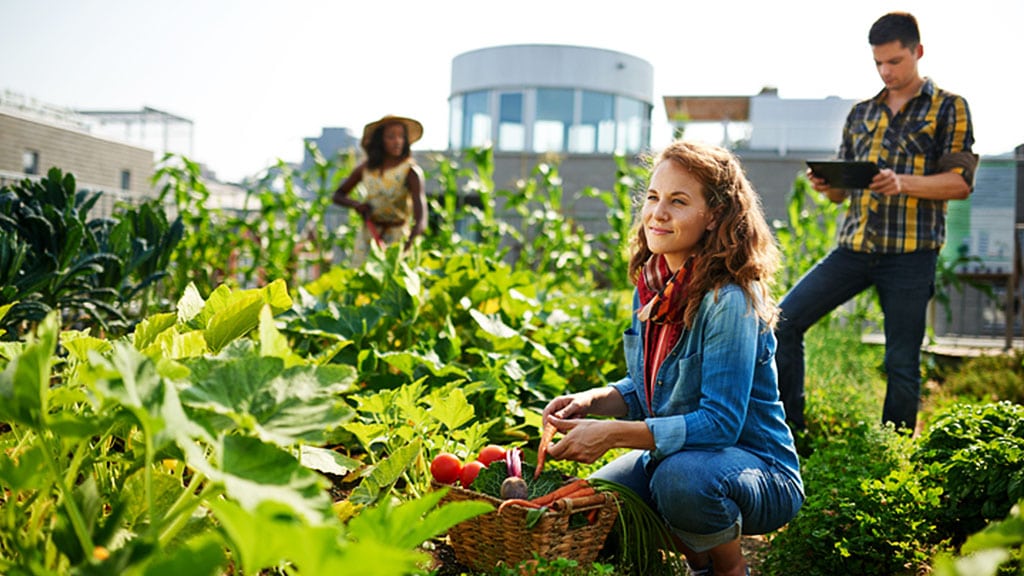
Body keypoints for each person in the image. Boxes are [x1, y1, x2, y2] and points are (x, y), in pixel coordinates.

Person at [541, 140, 804, 576]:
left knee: (679, 481)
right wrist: (593, 401)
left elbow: (720, 424)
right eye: (653, 197)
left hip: (757, 469)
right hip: (680, 457)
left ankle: (726, 567)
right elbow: (651, 388)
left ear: (714, 216)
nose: (657, 213)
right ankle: (695, 551)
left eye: (678, 202)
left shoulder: (729, 300)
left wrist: (610, 436)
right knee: (603, 503)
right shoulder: (653, 287)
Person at [775, 12, 978, 433]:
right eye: (879, 63)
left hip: (910, 255)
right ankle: (789, 433)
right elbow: (841, 193)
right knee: (782, 322)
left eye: (895, 61)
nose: (887, 71)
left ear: (917, 52)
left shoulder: (949, 108)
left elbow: (959, 184)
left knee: (901, 362)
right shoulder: (861, 114)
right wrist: (827, 185)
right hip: (854, 249)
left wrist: (902, 182)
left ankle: (894, 451)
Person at [332, 114, 427, 265]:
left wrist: (409, 243)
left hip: (397, 237)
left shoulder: (410, 172)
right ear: (380, 141)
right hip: (369, 234)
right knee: (362, 279)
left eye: (401, 137)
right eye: (391, 137)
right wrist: (357, 206)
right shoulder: (366, 169)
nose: (397, 142)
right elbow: (338, 195)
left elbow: (421, 218)